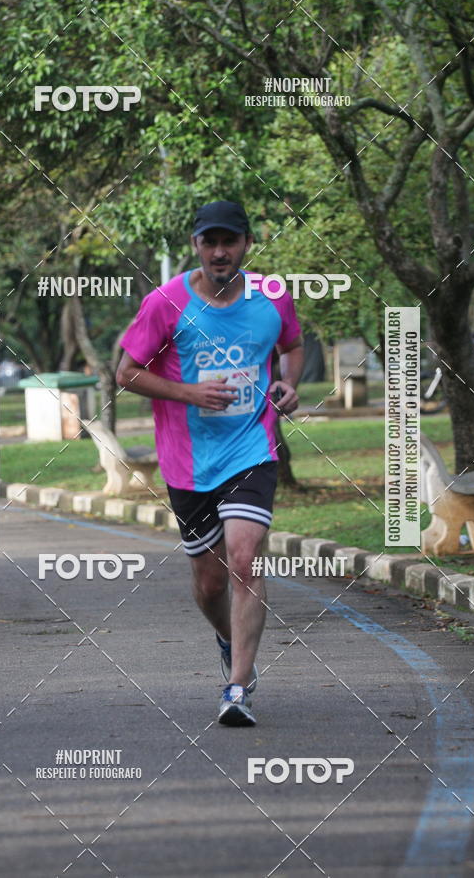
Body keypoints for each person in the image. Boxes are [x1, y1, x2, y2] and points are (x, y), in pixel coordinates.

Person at [116, 201, 304, 726]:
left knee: (244, 561)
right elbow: (126, 373)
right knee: (211, 583)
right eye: (209, 242)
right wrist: (188, 392)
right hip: (188, 462)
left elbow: (293, 343)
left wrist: (291, 381)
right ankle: (227, 637)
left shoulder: (272, 296)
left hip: (251, 448)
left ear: (247, 243)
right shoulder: (166, 302)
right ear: (195, 246)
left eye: (230, 241)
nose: (220, 252)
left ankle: (237, 687)